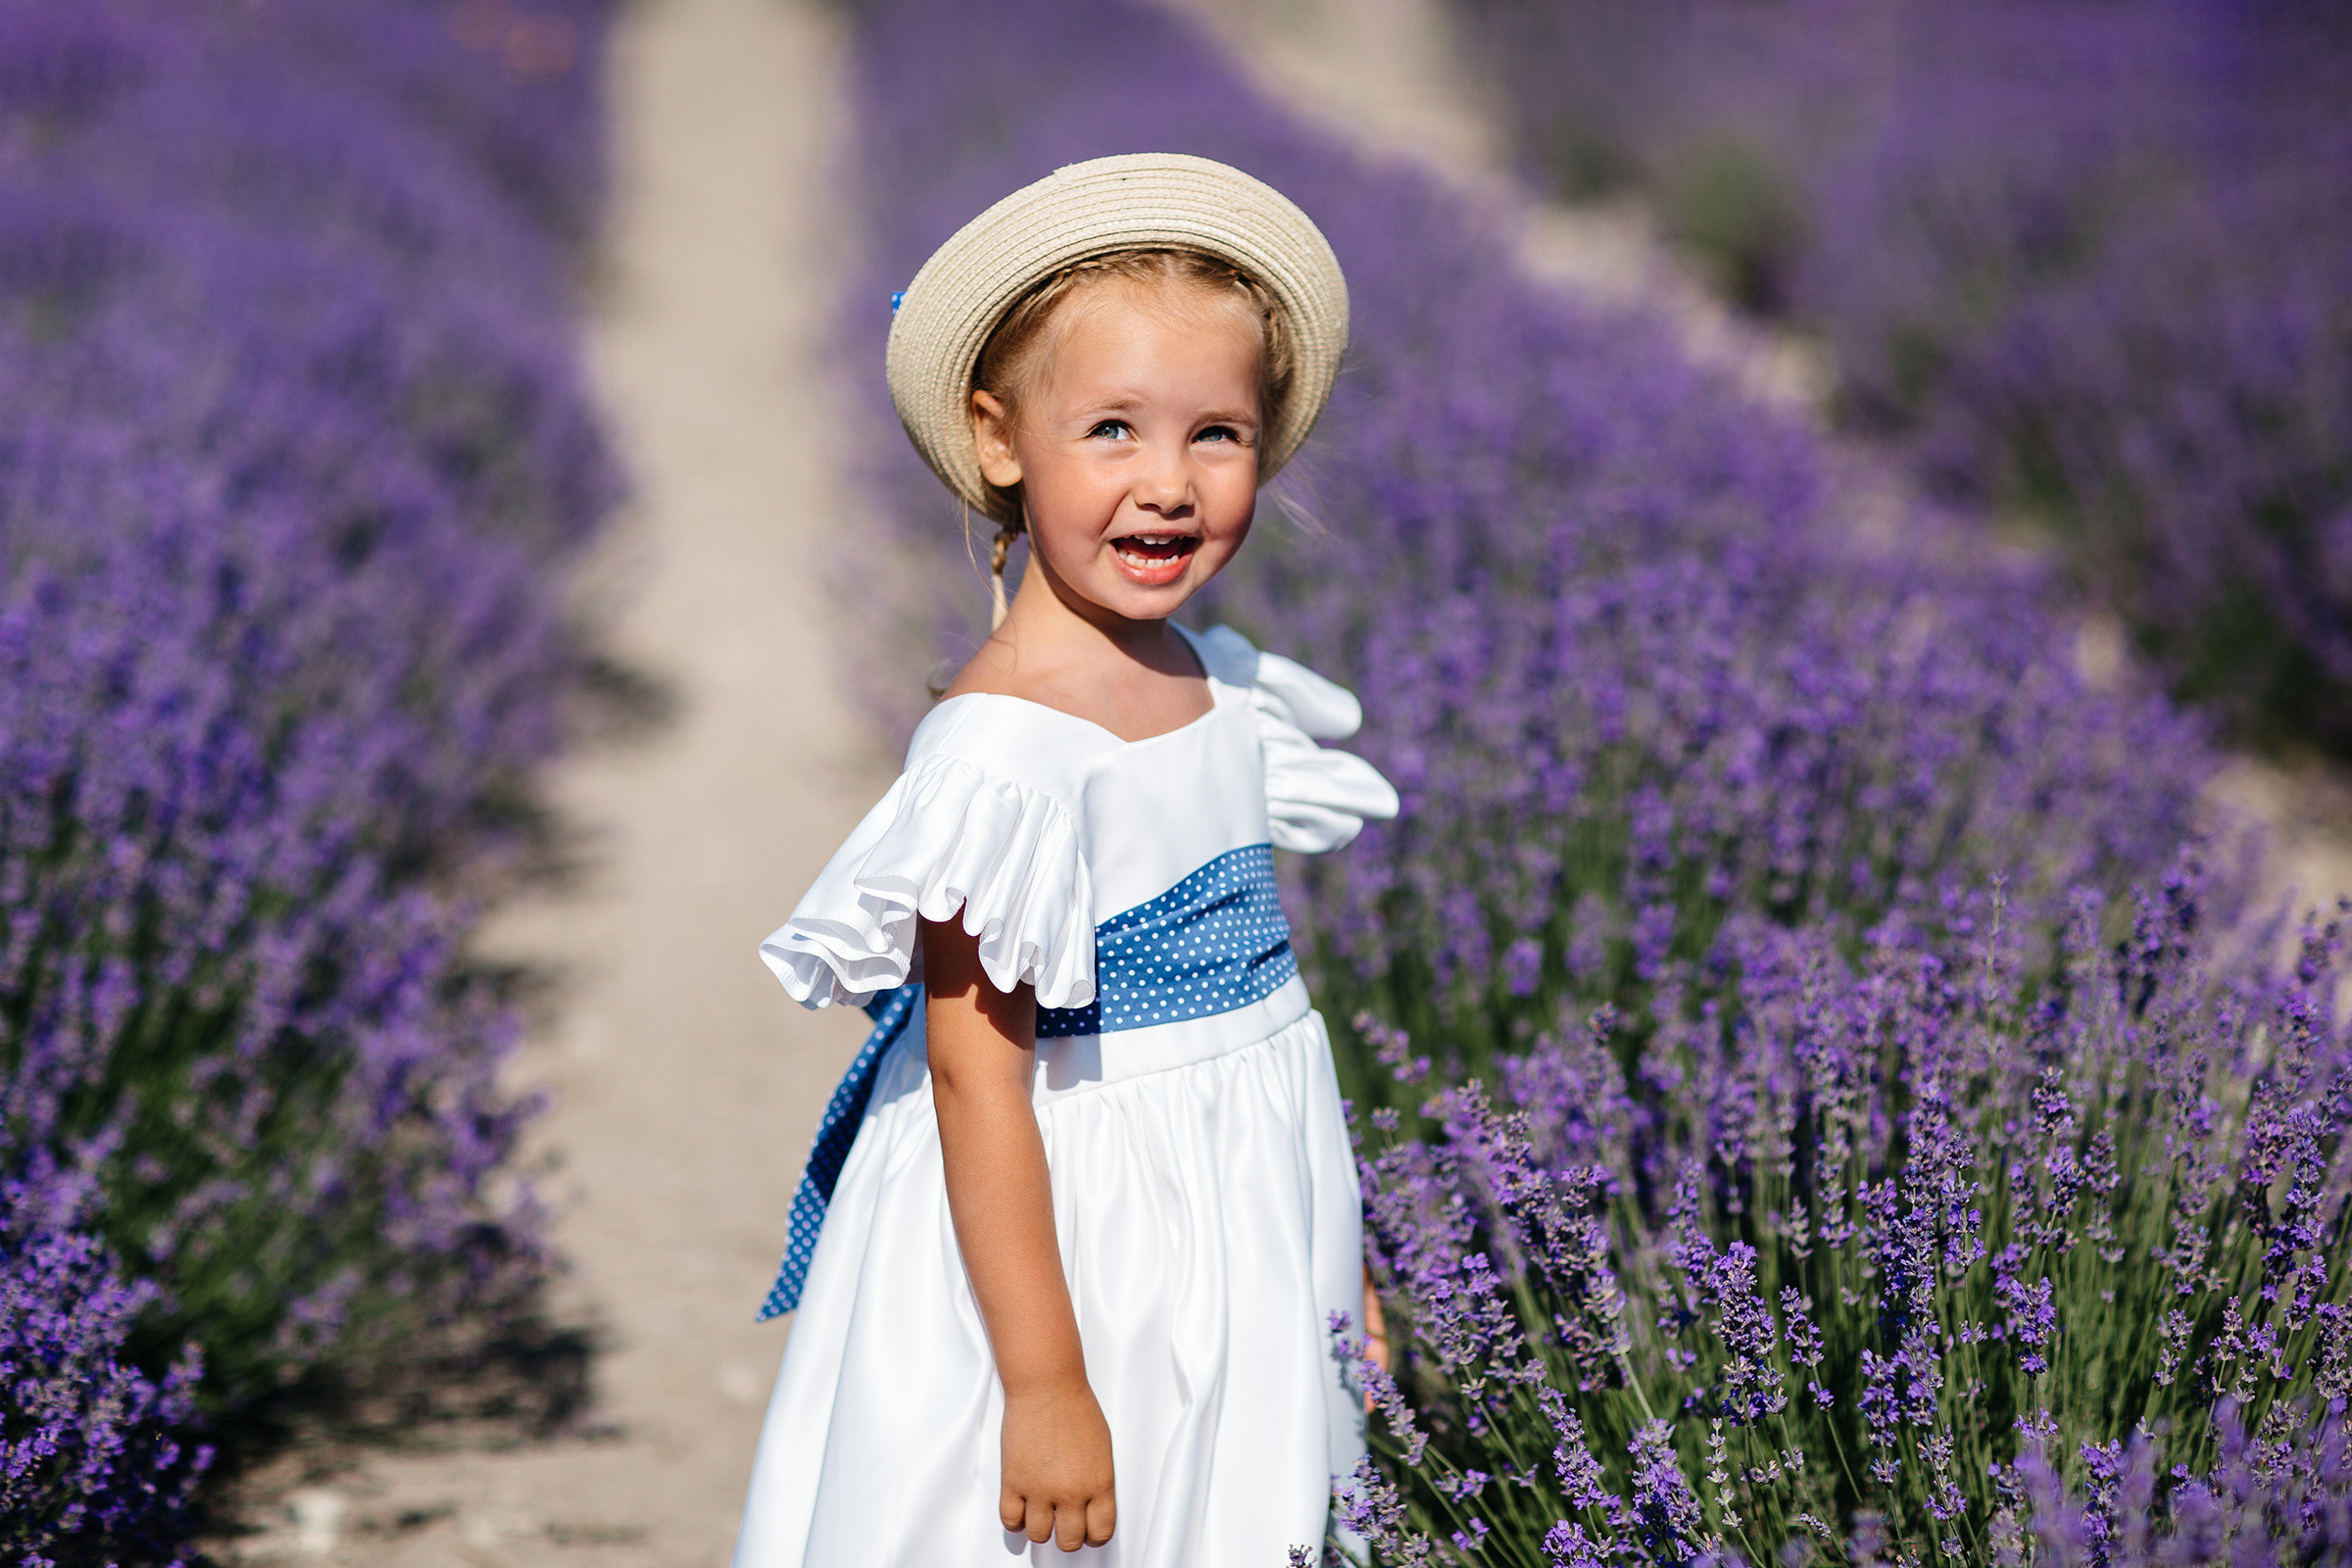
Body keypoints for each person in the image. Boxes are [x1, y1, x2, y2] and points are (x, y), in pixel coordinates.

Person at [731, 154, 1398, 1566]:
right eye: (1111, 429)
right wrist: (1042, 1388)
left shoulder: (1223, 687)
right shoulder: (1004, 755)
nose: (1168, 485)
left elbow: (1267, 1029)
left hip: (1238, 1208)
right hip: (1066, 1235)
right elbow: (980, 1082)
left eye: (1216, 434)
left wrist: (1337, 1268)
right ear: (999, 440)